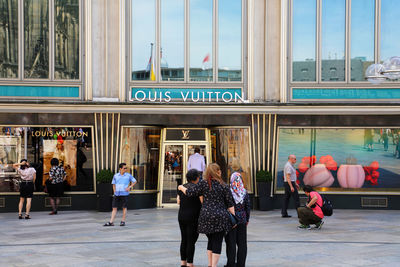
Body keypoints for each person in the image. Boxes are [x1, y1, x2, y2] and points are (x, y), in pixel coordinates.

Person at [178, 163, 235, 267]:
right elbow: (230, 205)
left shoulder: (203, 184)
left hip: (206, 217)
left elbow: (190, 192)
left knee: (211, 240)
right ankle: (213, 265)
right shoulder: (224, 186)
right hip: (220, 217)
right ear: (218, 172)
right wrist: (234, 218)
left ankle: (210, 264)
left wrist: (181, 187)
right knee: (217, 241)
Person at [224, 159, 250, 267]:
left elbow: (225, 206)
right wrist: (247, 219)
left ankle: (230, 264)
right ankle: (241, 264)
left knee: (231, 243)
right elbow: (248, 207)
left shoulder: (228, 192)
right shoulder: (244, 193)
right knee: (242, 243)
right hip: (242, 220)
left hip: (231, 220)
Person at [177, 169, 203, 267]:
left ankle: (183, 263)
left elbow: (178, 202)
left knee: (184, 239)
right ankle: (190, 263)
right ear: (197, 178)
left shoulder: (181, 187)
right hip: (193, 217)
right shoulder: (198, 188)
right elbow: (202, 202)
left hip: (182, 216)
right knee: (191, 241)